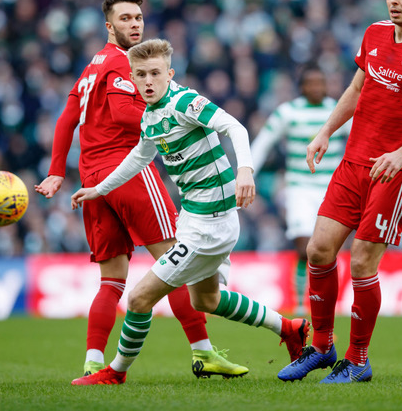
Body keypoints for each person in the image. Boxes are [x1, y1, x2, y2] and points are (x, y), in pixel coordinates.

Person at [69, 38, 310, 386]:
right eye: (141, 75)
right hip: (194, 219)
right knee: (207, 299)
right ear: (132, 79)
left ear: (170, 74)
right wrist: (98, 189)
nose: (148, 81)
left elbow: (235, 127)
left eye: (155, 73)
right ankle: (289, 328)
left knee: (139, 298)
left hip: (210, 226)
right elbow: (139, 157)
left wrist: (245, 170)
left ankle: (115, 372)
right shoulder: (150, 116)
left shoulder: (185, 102)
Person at [34, 0, 245, 380]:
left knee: (112, 279)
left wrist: (57, 171)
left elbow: (67, 118)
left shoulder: (92, 66)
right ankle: (203, 351)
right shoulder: (122, 62)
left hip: (93, 177)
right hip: (126, 171)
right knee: (175, 262)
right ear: (109, 25)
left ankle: (93, 361)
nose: (134, 25)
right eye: (125, 19)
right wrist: (169, 124)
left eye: (138, 18)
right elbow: (121, 112)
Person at [277, 0, 402, 384]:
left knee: (362, 262)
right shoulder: (375, 33)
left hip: (396, 170)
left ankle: (358, 359)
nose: (394, 0)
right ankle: (321, 347)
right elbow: (358, 88)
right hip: (353, 162)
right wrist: (326, 131)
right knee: (318, 251)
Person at [251, 64, 348, 314]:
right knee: (304, 247)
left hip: (331, 189)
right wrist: (247, 173)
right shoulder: (288, 112)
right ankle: (301, 303)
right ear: (302, 87)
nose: (316, 87)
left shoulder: (338, 110)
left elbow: (362, 139)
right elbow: (263, 143)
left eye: (320, 83)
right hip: (299, 189)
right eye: (311, 83)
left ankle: (326, 303)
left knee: (328, 249)